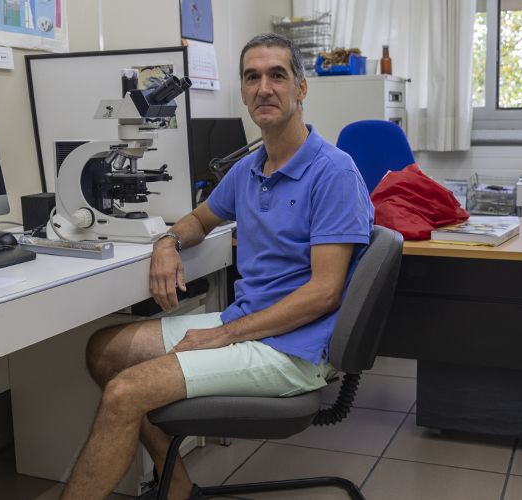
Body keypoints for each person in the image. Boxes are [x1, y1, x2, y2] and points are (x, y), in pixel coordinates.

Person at [59, 33, 374, 500]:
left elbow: (325, 293)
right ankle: (178, 484)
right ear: (243, 90)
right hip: (247, 322)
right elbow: (199, 219)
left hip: (293, 348)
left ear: (301, 89)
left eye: (277, 75)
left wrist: (222, 335)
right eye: (252, 77)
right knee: (103, 351)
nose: (263, 88)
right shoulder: (250, 170)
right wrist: (167, 241)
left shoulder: (334, 173)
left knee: (125, 392)